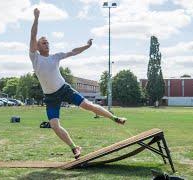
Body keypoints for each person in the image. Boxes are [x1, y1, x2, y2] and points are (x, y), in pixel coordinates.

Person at [29, 8, 127, 159]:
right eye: (43, 43)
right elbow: (33, 35)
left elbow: (73, 51)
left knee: (88, 106)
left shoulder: (56, 57)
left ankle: (115, 118)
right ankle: (74, 147)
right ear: (37, 46)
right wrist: (36, 17)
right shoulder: (35, 57)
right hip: (50, 97)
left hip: (64, 89)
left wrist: (87, 46)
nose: (47, 44)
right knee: (55, 126)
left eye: (48, 42)